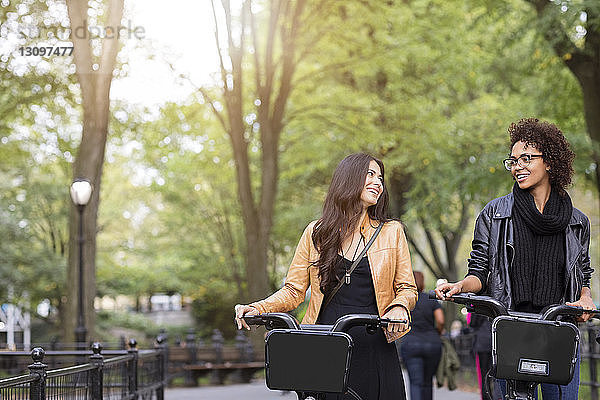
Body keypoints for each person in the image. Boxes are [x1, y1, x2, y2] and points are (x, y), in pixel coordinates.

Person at [234, 152, 418, 400]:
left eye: (381, 178)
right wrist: (259, 308)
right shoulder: (316, 232)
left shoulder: (391, 231)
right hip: (326, 344)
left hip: (373, 342)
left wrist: (399, 307)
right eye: (370, 175)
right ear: (349, 179)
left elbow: (407, 287)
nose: (378, 183)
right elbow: (294, 290)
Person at [435, 118, 595, 400]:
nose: (517, 166)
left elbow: (582, 273)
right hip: (511, 328)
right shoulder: (494, 214)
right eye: (513, 161)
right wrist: (460, 286)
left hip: (558, 329)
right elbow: (480, 272)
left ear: (550, 162)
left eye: (526, 158)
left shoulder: (577, 222)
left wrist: (585, 296)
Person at [399, 271, 444, 400]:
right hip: (432, 344)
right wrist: (438, 332)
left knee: (415, 382)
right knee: (427, 381)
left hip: (411, 343)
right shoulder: (431, 299)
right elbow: (440, 320)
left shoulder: (406, 301)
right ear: (422, 282)